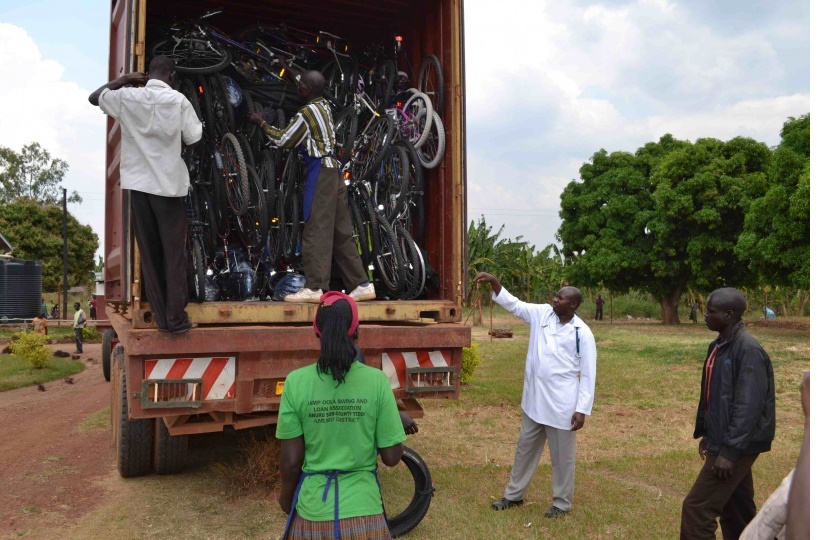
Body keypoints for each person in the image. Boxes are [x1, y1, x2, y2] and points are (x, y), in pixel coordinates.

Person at [276, 291, 406, 539]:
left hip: (313, 512)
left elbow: (291, 462)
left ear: (317, 332)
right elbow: (391, 457)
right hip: (365, 512)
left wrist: (287, 500)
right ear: (356, 332)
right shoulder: (377, 382)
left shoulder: (296, 383)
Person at [89, 55, 202, 333]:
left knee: (150, 254)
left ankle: (163, 321)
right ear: (172, 76)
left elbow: (95, 98)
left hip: (138, 188)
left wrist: (123, 80)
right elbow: (194, 137)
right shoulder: (178, 101)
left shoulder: (127, 96)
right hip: (168, 187)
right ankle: (176, 320)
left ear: (148, 74)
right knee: (173, 255)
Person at [249, 64, 375, 304]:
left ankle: (315, 287)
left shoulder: (307, 112)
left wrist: (262, 123)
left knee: (315, 229)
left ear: (307, 90)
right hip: (336, 171)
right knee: (341, 232)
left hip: (321, 172)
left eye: (300, 87)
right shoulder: (325, 107)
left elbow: (285, 139)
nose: (298, 89)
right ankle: (361, 284)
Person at [475, 272, 597, 518]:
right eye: (555, 296)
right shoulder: (542, 314)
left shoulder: (581, 333)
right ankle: (513, 495)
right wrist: (496, 283)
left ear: (573, 304)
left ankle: (561, 503)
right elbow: (516, 305)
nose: (555, 300)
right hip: (534, 401)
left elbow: (588, 374)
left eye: (561, 298)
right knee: (524, 450)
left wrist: (582, 409)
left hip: (562, 406)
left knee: (562, 459)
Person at [680, 287, 776, 540]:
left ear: (729, 314)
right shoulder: (718, 345)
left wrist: (729, 452)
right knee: (737, 509)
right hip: (724, 438)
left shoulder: (748, 350)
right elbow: (717, 398)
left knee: (697, 509)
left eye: (711, 311)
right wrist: (709, 434)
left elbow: (749, 407)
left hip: (737, 444)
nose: (705, 315)